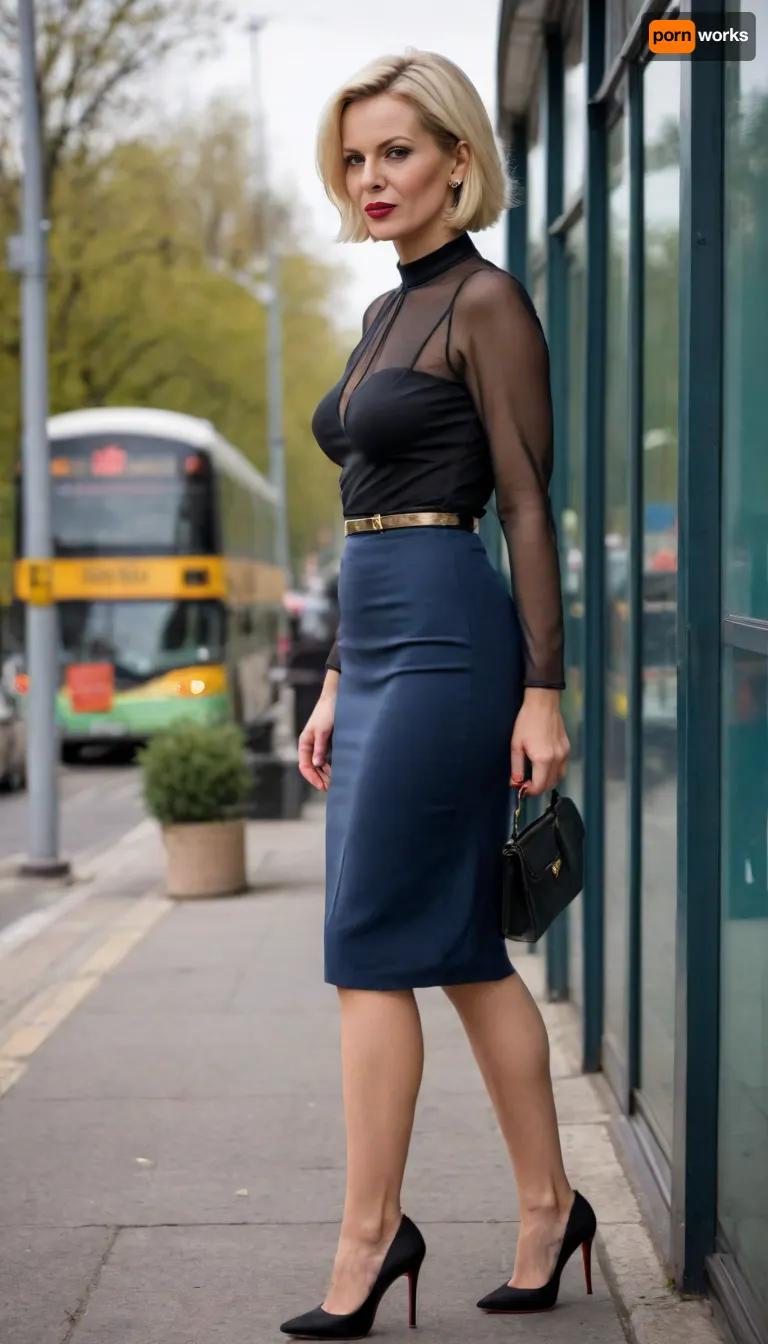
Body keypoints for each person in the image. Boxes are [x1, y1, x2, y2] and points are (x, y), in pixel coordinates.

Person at [283, 48, 596, 1341]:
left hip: (461, 649)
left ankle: (369, 1238)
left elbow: (527, 506)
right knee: (462, 952)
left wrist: (542, 689)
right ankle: (548, 1209)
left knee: (365, 942)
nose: (373, 178)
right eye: (355, 159)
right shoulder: (378, 318)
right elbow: (364, 512)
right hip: (378, 646)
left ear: (459, 160)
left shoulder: (486, 302)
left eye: (398, 153)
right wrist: (334, 680)